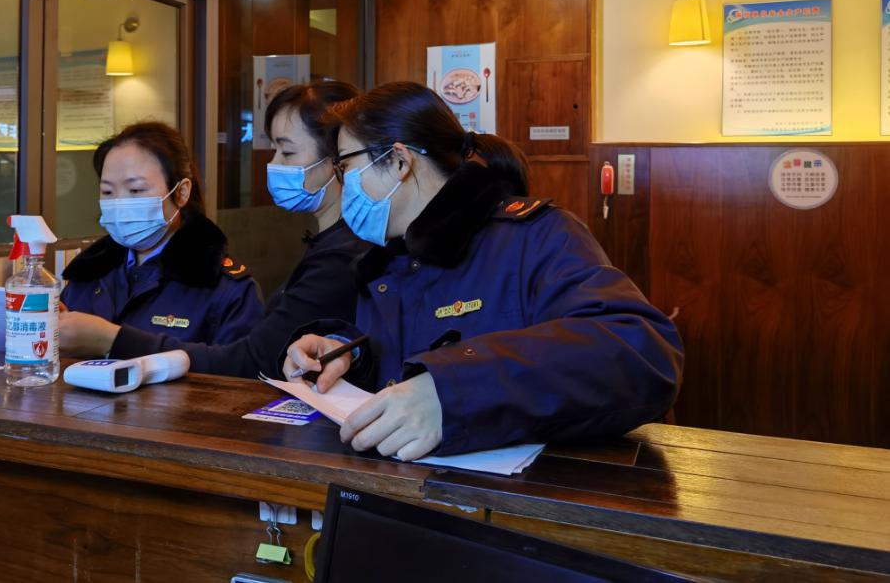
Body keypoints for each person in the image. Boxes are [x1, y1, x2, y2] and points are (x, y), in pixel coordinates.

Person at [283, 81, 683, 461]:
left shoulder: (535, 237)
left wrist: (450, 391)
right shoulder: (388, 260)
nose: (342, 184)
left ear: (399, 161)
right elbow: (408, 365)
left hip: (517, 499)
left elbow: (641, 353)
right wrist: (348, 354)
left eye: (345, 166)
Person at [91, 81, 369, 377]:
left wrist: (114, 340)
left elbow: (253, 361)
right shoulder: (91, 271)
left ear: (339, 159)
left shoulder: (342, 256)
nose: (273, 163)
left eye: (287, 152)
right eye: (107, 192)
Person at [60, 122, 262, 357]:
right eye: (107, 192)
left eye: (136, 190)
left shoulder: (226, 288)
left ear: (181, 192)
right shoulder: (87, 275)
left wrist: (112, 341)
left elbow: (241, 371)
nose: (119, 203)